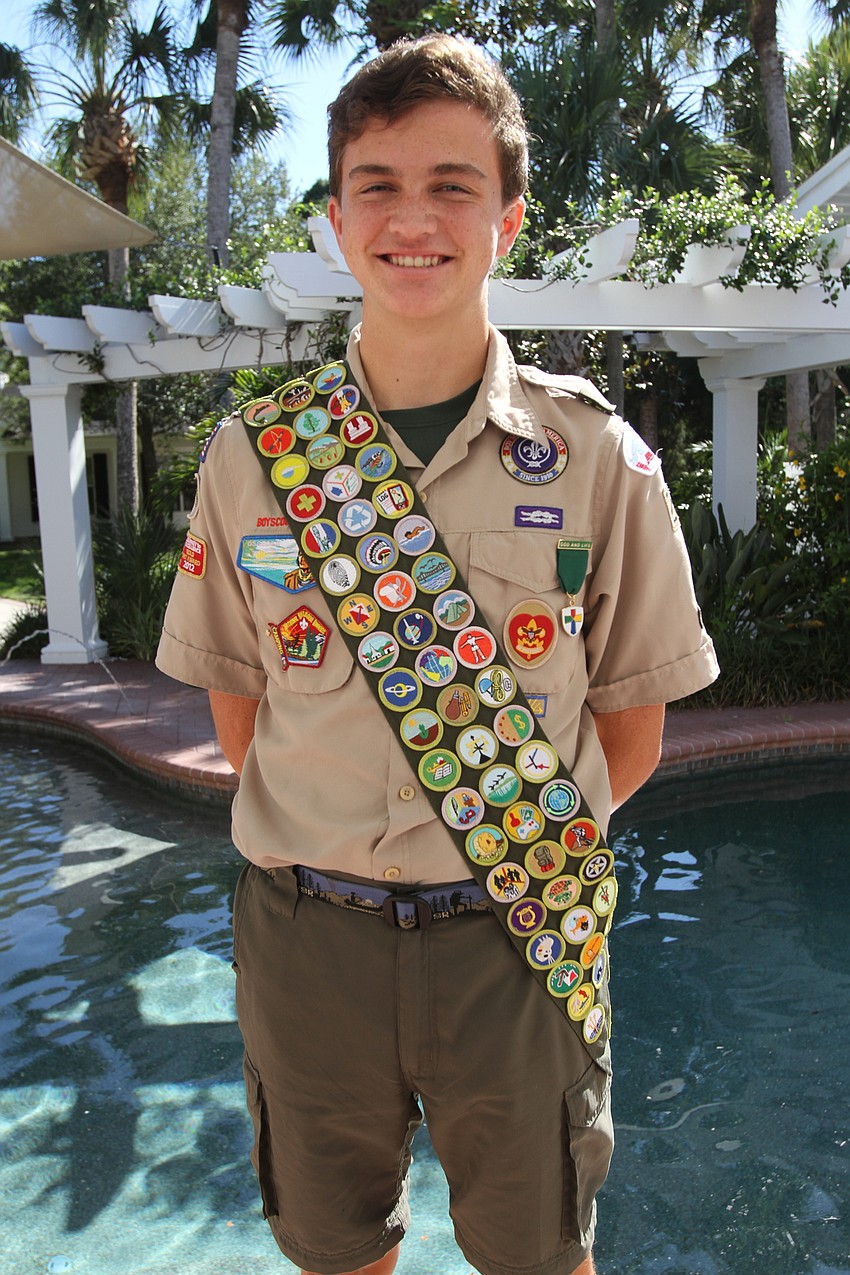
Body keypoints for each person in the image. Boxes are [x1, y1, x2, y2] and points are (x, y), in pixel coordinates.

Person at [156, 33, 718, 1275]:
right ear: (335, 221)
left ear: (506, 221)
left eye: (453, 186)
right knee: (336, 1251)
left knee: (540, 1254)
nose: (413, 219)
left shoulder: (594, 458)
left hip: (518, 930)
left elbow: (630, 728)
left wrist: (506, 840)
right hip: (310, 937)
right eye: (379, 186)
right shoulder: (256, 457)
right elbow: (242, 713)